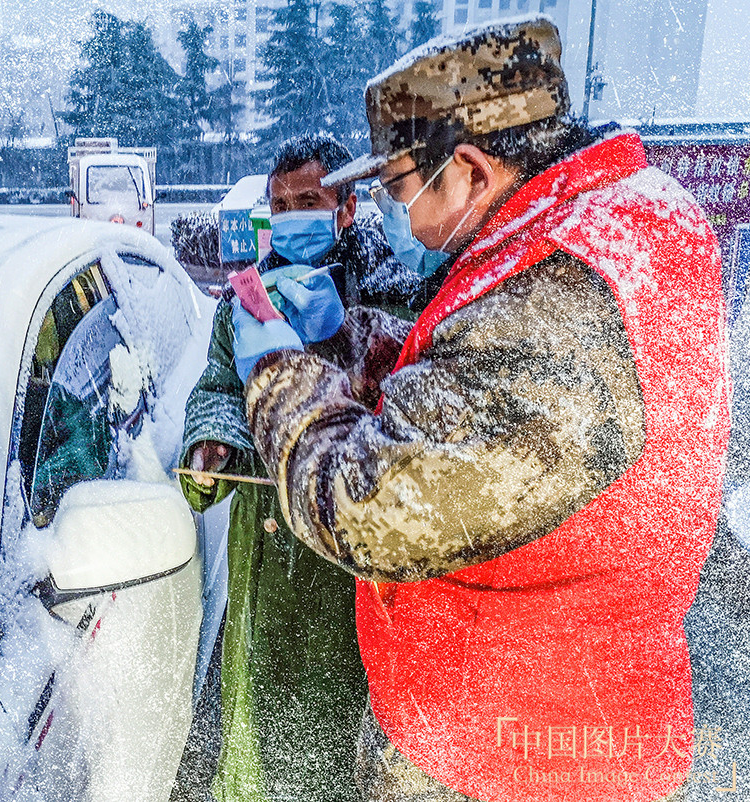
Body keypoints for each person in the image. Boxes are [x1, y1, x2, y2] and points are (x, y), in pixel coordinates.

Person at [230, 18, 728, 802]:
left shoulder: (564, 298)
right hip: (537, 718)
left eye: (396, 187)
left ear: (468, 168)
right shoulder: (595, 231)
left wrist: (277, 377)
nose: (396, 209)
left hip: (513, 757)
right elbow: (488, 407)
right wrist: (353, 344)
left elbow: (372, 508)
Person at [178, 134, 437, 802]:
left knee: (330, 731)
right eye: (281, 204)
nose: (293, 216)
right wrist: (215, 445)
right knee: (258, 715)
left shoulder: (401, 288)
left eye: (309, 202)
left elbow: (410, 406)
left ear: (347, 209)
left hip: (345, 555)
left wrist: (333, 337)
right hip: (265, 545)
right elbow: (217, 386)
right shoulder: (249, 292)